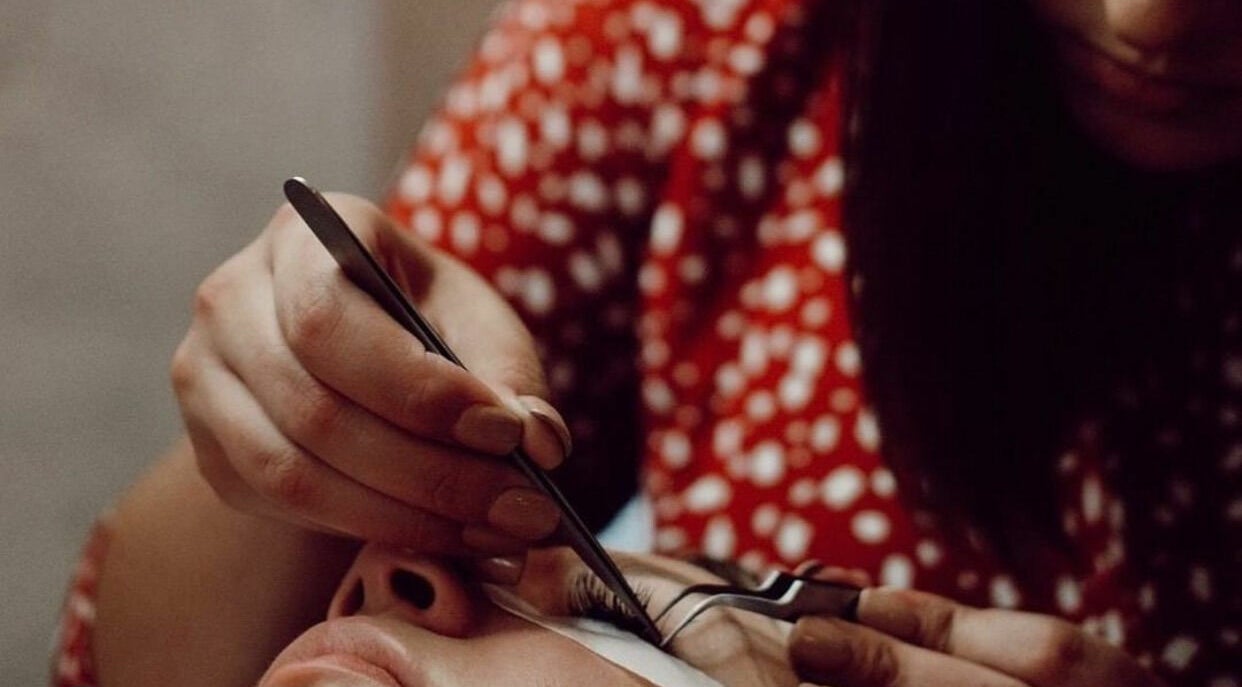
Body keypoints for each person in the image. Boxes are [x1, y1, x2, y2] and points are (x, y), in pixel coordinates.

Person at [54, 0, 1240, 684]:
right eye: (599, 603)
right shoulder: (698, 30)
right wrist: (296, 435)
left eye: (620, 621)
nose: (1153, 17)